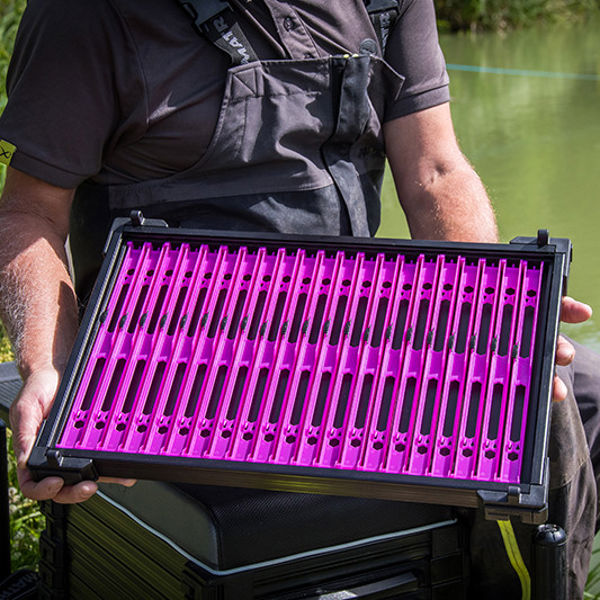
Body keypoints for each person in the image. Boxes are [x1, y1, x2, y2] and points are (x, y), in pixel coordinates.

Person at [0, 1, 597, 597]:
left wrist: (495, 316)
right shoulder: (86, 14)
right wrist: (48, 362)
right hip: (179, 359)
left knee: (579, 386)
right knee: (550, 423)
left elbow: (435, 170)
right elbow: (29, 209)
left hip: (358, 325)